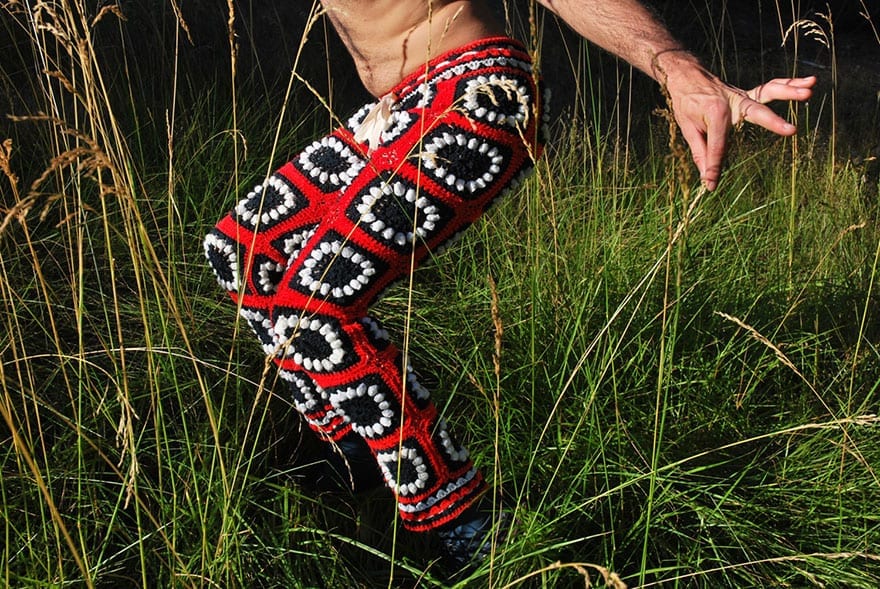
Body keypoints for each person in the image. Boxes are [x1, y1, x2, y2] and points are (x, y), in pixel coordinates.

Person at [203, 0, 815, 574]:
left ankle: (467, 526)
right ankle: (353, 454)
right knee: (241, 251)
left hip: (474, 93)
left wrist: (678, 69)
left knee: (316, 305)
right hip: (398, 109)